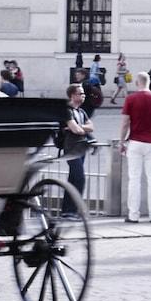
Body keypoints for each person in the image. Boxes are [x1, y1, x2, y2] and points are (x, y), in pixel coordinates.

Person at [120, 71, 151, 223]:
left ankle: (133, 215)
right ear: (149, 82)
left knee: (134, 179)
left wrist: (121, 142)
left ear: (137, 83)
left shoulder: (130, 99)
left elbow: (125, 123)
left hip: (135, 143)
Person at [58, 84, 95, 218]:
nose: (83, 96)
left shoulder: (81, 111)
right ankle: (72, 210)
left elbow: (91, 127)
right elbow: (77, 130)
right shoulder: (67, 111)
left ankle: (68, 211)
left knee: (73, 179)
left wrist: (78, 127)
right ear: (72, 95)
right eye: (81, 93)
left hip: (81, 148)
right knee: (79, 178)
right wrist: (79, 128)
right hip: (71, 148)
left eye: (83, 93)